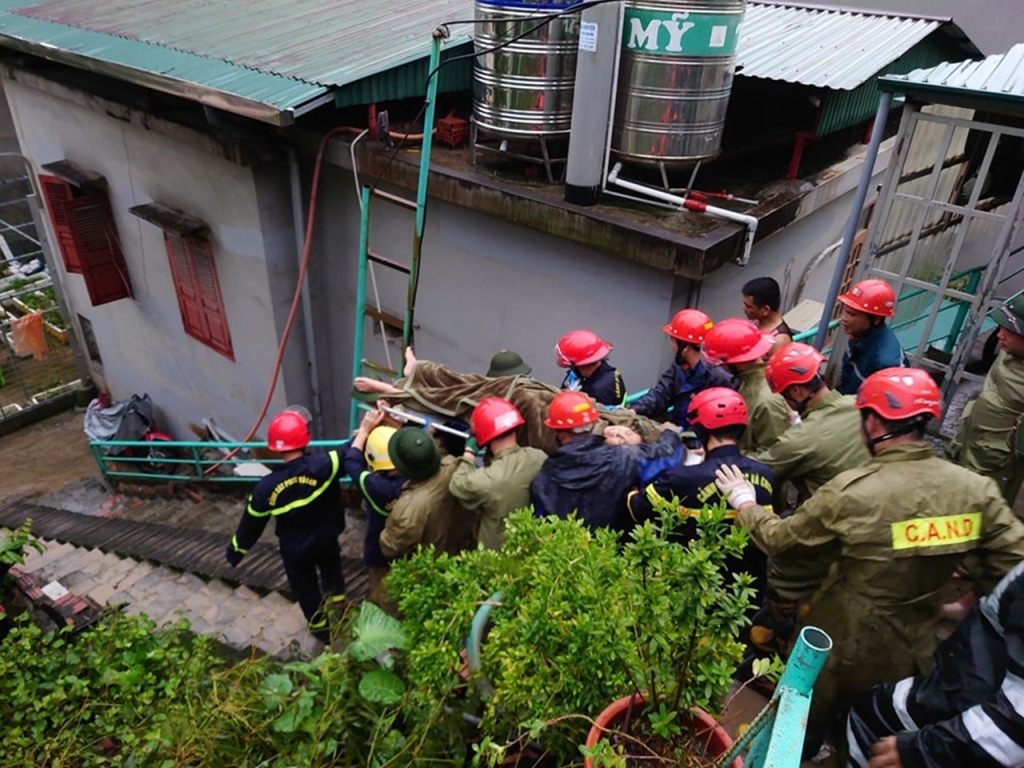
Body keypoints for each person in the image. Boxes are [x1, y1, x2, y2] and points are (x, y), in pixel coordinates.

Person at [715, 367, 1024, 757]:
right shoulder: (975, 490)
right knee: (874, 735)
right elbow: (1013, 568)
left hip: (838, 635)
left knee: (799, 713)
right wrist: (969, 607)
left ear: (874, 421)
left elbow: (781, 541)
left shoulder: (853, 492)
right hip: (913, 644)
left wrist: (745, 502)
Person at [847, 560, 1024, 768]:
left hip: (985, 707)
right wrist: (967, 609)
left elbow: (1014, 723)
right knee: (875, 708)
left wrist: (923, 751)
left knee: (872, 714)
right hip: (980, 672)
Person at [627, 387, 775, 600]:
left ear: (701, 431)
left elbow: (637, 508)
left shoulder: (680, 479)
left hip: (694, 589)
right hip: (746, 594)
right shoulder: (766, 475)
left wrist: (632, 488)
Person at [225, 408, 346, 644]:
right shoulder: (324, 465)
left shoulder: (266, 488)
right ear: (305, 438)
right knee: (332, 568)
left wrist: (235, 553)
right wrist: (368, 426)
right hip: (326, 540)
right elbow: (350, 450)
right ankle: (339, 602)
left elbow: (250, 525)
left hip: (296, 551)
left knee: (307, 591)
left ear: (274, 446)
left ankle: (323, 634)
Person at [531, 391, 682, 531]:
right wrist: (670, 434)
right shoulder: (624, 458)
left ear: (559, 433)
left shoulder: (544, 478)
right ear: (592, 424)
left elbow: (541, 526)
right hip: (611, 553)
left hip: (568, 556)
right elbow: (666, 457)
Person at [755, 342, 870, 504]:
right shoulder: (860, 404)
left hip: (827, 515)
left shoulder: (799, 439)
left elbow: (759, 469)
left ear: (796, 391)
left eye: (783, 396)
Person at [950, 291, 1024, 504]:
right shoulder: (1009, 353)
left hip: (996, 464)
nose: (1000, 335)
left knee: (979, 512)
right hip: (971, 440)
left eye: (1010, 330)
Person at [448, 397, 547, 550]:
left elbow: (457, 485)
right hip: (534, 549)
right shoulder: (539, 457)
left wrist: (468, 453)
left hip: (497, 558)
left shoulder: (487, 480)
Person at [379, 426, 476, 562]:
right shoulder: (454, 467)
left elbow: (390, 548)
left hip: (430, 572)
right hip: (462, 555)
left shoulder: (409, 508)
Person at [341, 409, 404, 610]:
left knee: (380, 596)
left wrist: (364, 432)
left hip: (380, 550)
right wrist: (391, 422)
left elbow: (352, 462)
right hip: (410, 545)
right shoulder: (418, 472)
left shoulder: (375, 488)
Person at [630, 309, 737, 428]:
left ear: (685, 347)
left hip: (701, 441)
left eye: (673, 340)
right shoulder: (679, 367)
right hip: (679, 434)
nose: (672, 346)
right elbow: (661, 394)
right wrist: (635, 409)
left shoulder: (719, 377)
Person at [702, 317, 792, 453]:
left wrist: (723, 455)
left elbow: (774, 456)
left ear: (733, 362)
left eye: (722, 363)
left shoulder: (766, 400)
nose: (722, 368)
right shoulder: (748, 383)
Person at [836, 278, 907, 395]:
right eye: (845, 311)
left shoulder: (886, 363)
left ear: (876, 319)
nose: (844, 318)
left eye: (852, 314)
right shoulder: (859, 334)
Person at [555, 329, 625, 406]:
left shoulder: (598, 392)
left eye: (572, 366)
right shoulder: (607, 370)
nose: (571, 369)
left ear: (583, 365)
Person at [742, 277, 793, 356]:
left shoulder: (778, 341)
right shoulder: (758, 320)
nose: (743, 308)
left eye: (748, 306)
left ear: (765, 310)